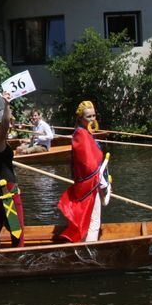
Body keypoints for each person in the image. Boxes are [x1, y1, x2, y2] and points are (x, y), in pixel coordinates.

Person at [57, 101, 109, 243]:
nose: (92, 119)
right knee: (93, 221)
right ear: (80, 118)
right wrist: (101, 180)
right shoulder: (80, 134)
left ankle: (85, 245)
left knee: (90, 218)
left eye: (94, 116)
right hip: (89, 185)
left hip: (90, 183)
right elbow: (88, 164)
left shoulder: (85, 132)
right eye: (88, 117)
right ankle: (89, 250)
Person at [0, 93, 25, 249]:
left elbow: (7, 124)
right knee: (17, 229)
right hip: (6, 191)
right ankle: (19, 257)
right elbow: (6, 123)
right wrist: (7, 104)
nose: (12, 124)